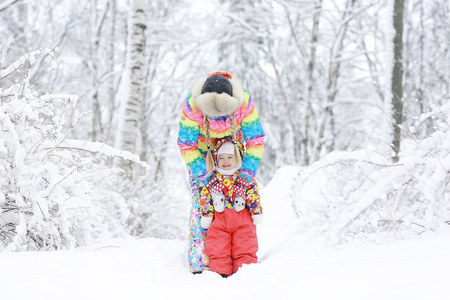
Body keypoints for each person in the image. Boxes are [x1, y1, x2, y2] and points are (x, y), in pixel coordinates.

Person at [177, 71, 265, 274]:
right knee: (203, 202)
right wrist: (206, 178)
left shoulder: (244, 104)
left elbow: (256, 141)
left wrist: (245, 176)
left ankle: (242, 259)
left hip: (234, 151)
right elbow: (186, 144)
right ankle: (203, 261)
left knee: (240, 201)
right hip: (201, 153)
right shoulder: (192, 107)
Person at [199, 137, 263, 277]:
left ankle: (246, 272)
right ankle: (221, 274)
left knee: (245, 245)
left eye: (230, 157)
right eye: (221, 158)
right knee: (217, 247)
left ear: (239, 158)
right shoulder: (213, 178)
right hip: (220, 221)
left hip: (243, 220)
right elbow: (205, 196)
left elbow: (253, 194)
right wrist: (207, 214)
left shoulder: (244, 177)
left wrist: (256, 211)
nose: (225, 161)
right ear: (216, 159)